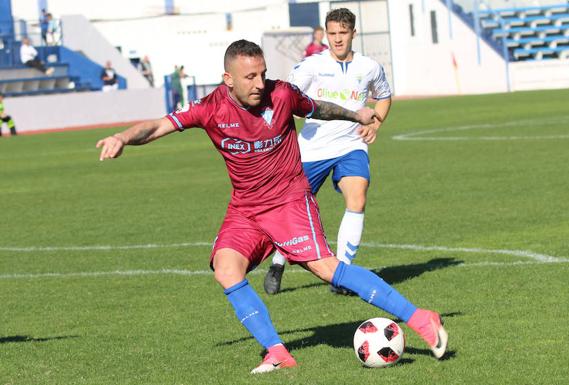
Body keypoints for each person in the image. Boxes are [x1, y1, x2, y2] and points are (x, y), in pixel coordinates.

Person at [95, 39, 447, 374]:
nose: (260, 82)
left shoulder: (282, 94)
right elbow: (159, 125)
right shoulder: (210, 107)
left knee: (326, 269)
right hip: (246, 209)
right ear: (228, 79)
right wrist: (122, 137)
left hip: (289, 201)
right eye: (250, 76)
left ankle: (420, 319)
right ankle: (278, 353)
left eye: (262, 73)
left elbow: (318, 107)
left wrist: (356, 114)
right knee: (226, 268)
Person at [265, 8, 392, 296]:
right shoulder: (311, 65)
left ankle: (343, 273)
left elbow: (384, 97)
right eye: (332, 33)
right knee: (292, 209)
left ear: (353, 34)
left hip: (351, 146)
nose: (337, 39)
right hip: (312, 148)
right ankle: (278, 261)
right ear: (326, 33)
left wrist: (377, 124)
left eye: (343, 33)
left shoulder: (369, 67)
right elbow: (288, 97)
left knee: (357, 197)